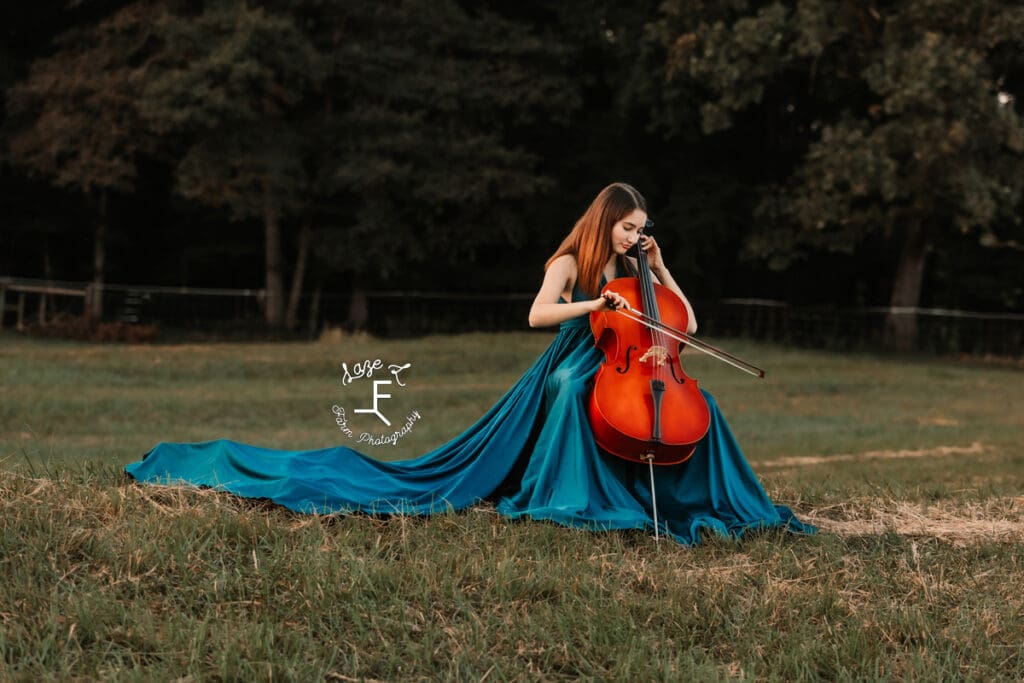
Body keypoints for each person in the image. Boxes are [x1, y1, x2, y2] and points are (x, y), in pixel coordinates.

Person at [126, 182, 814, 544]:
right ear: (605, 220)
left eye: (643, 230)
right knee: (577, 390)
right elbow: (538, 314)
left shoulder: (647, 269)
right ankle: (568, 495)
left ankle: (706, 498)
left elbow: (686, 327)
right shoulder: (574, 259)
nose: (637, 237)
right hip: (580, 351)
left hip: (639, 358)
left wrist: (666, 268)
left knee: (702, 406)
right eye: (630, 228)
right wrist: (593, 302)